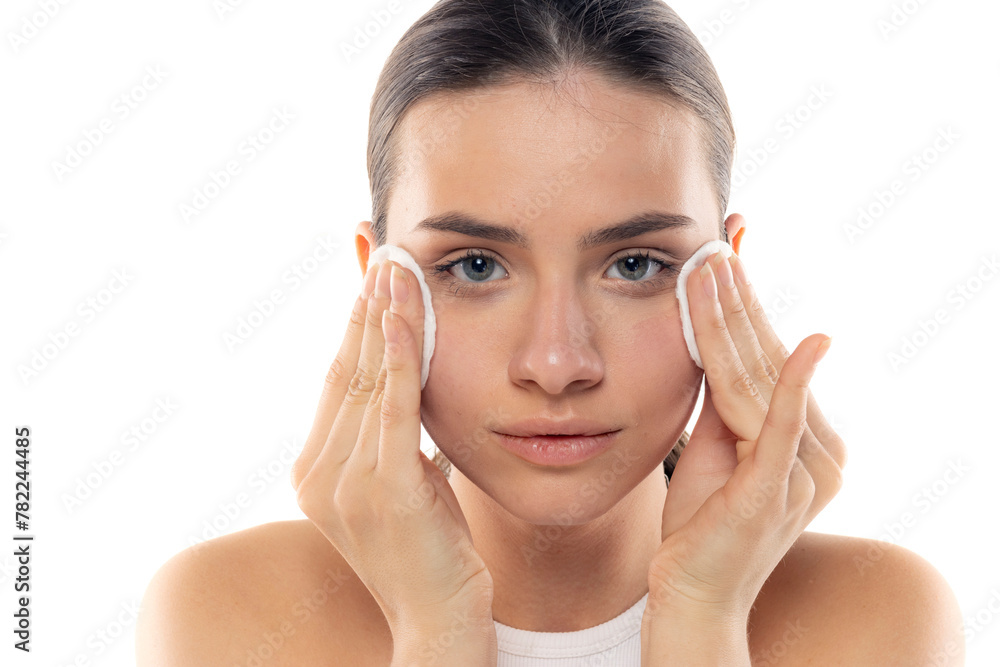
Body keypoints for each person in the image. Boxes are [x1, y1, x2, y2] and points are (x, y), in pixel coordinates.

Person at [136, 1, 964, 664]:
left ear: (728, 280)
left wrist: (702, 619)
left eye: (635, 264)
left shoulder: (875, 615)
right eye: (475, 266)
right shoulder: (231, 611)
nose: (557, 362)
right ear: (377, 283)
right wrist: (436, 630)